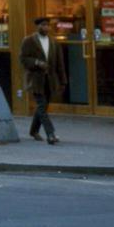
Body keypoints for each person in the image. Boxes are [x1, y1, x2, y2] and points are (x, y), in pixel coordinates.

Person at [19, 15, 66, 145]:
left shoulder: (54, 42)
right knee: (41, 105)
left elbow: (60, 64)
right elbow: (23, 59)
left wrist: (63, 81)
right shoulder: (28, 41)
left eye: (47, 25)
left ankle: (33, 131)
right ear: (37, 27)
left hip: (50, 80)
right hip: (35, 79)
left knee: (43, 106)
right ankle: (50, 134)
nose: (46, 27)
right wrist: (37, 62)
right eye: (43, 25)